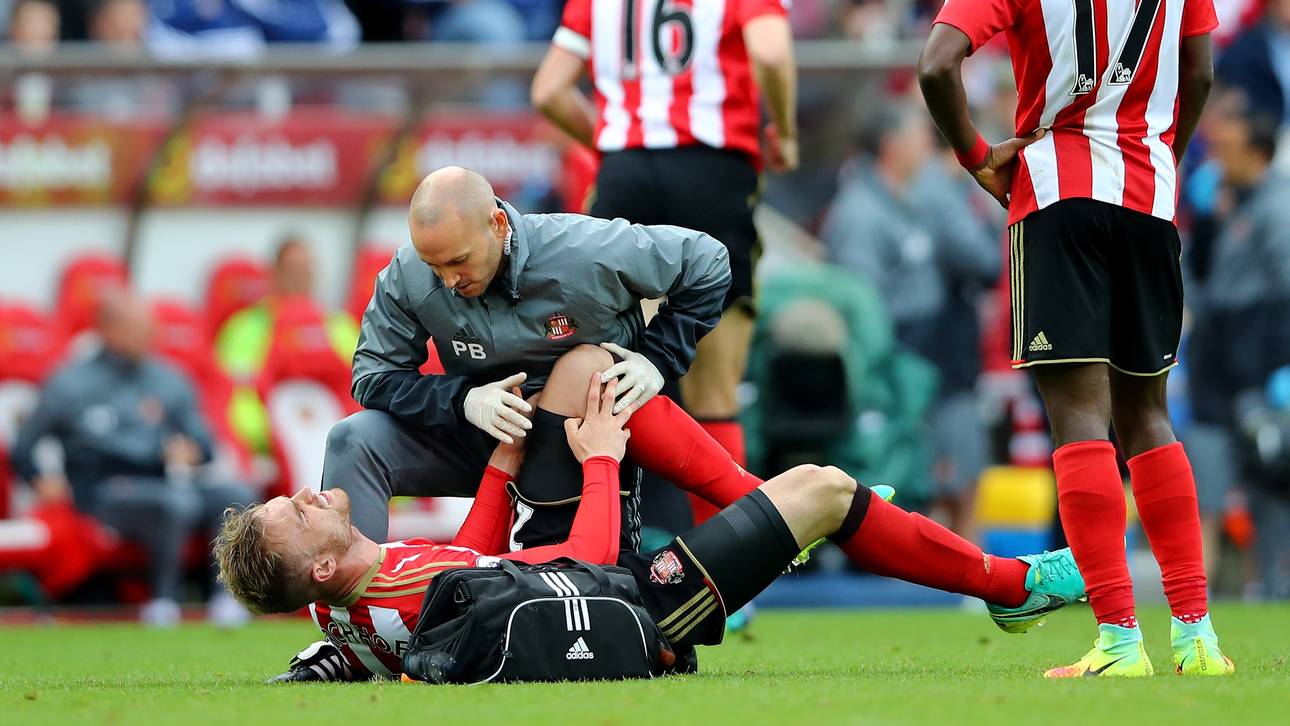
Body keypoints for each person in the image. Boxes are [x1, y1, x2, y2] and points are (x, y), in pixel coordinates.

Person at [216, 345, 1086, 681]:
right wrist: (598, 463)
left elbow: (474, 564)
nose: (299, 493)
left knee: (813, 491)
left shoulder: (349, 602)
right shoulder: (385, 592)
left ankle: (775, 512)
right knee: (822, 488)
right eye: (293, 516)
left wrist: (503, 466)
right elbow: (579, 579)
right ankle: (1008, 587)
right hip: (642, 600)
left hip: (608, 592)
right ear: (318, 565)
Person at [918, 0, 1231, 676]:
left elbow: (938, 65)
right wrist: (1158, 157)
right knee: (1150, 417)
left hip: (1059, 196)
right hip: (1148, 198)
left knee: (1081, 422)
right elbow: (1199, 72)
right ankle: (1197, 637)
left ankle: (1119, 641)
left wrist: (976, 157)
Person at [326, 165, 731, 549]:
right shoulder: (408, 275)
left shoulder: (584, 250)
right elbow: (372, 377)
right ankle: (359, 610)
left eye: (458, 261)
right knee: (353, 440)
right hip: (485, 433)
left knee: (583, 366)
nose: (449, 281)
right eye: (435, 266)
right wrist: (461, 398)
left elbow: (707, 260)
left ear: (497, 224)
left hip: (578, 442)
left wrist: (657, 360)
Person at [530, 0, 799, 523]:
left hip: (624, 180)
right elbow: (769, 52)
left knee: (593, 374)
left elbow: (548, 90)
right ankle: (730, 577)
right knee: (715, 391)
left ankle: (584, 551)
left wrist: (614, 147)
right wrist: (784, 132)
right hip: (713, 172)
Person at [10, 289, 256, 626]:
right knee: (174, 503)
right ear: (108, 329)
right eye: (138, 326)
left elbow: (204, 443)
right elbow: (24, 445)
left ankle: (226, 597)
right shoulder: (71, 382)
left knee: (236, 494)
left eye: (150, 326)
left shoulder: (168, 378)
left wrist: (191, 450)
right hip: (101, 489)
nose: (149, 334)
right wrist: (39, 478)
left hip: (161, 477)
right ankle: (163, 600)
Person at [215, 236, 358, 455]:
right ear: (275, 274)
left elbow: (360, 387)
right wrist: (272, 437)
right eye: (294, 270)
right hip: (272, 445)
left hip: (339, 441)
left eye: (307, 270)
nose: (302, 277)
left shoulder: (339, 326)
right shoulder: (245, 328)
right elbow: (236, 395)